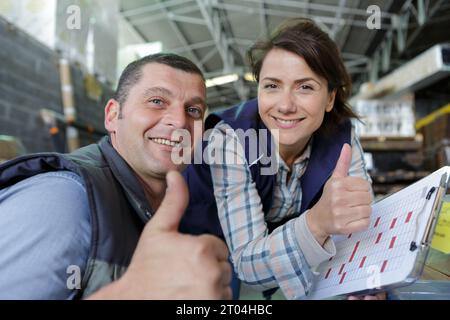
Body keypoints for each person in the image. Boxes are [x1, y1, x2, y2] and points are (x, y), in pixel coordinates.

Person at [0, 53, 232, 299]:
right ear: (112, 116)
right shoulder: (65, 199)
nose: (179, 121)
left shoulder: (157, 210)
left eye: (194, 110)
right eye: (156, 101)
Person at [183, 18, 384, 300]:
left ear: (329, 99)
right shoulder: (230, 139)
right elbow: (248, 265)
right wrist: (317, 223)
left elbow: (361, 224)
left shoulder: (343, 138)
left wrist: (368, 280)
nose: (286, 105)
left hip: (275, 240)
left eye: (305, 87)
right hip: (208, 241)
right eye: (272, 86)